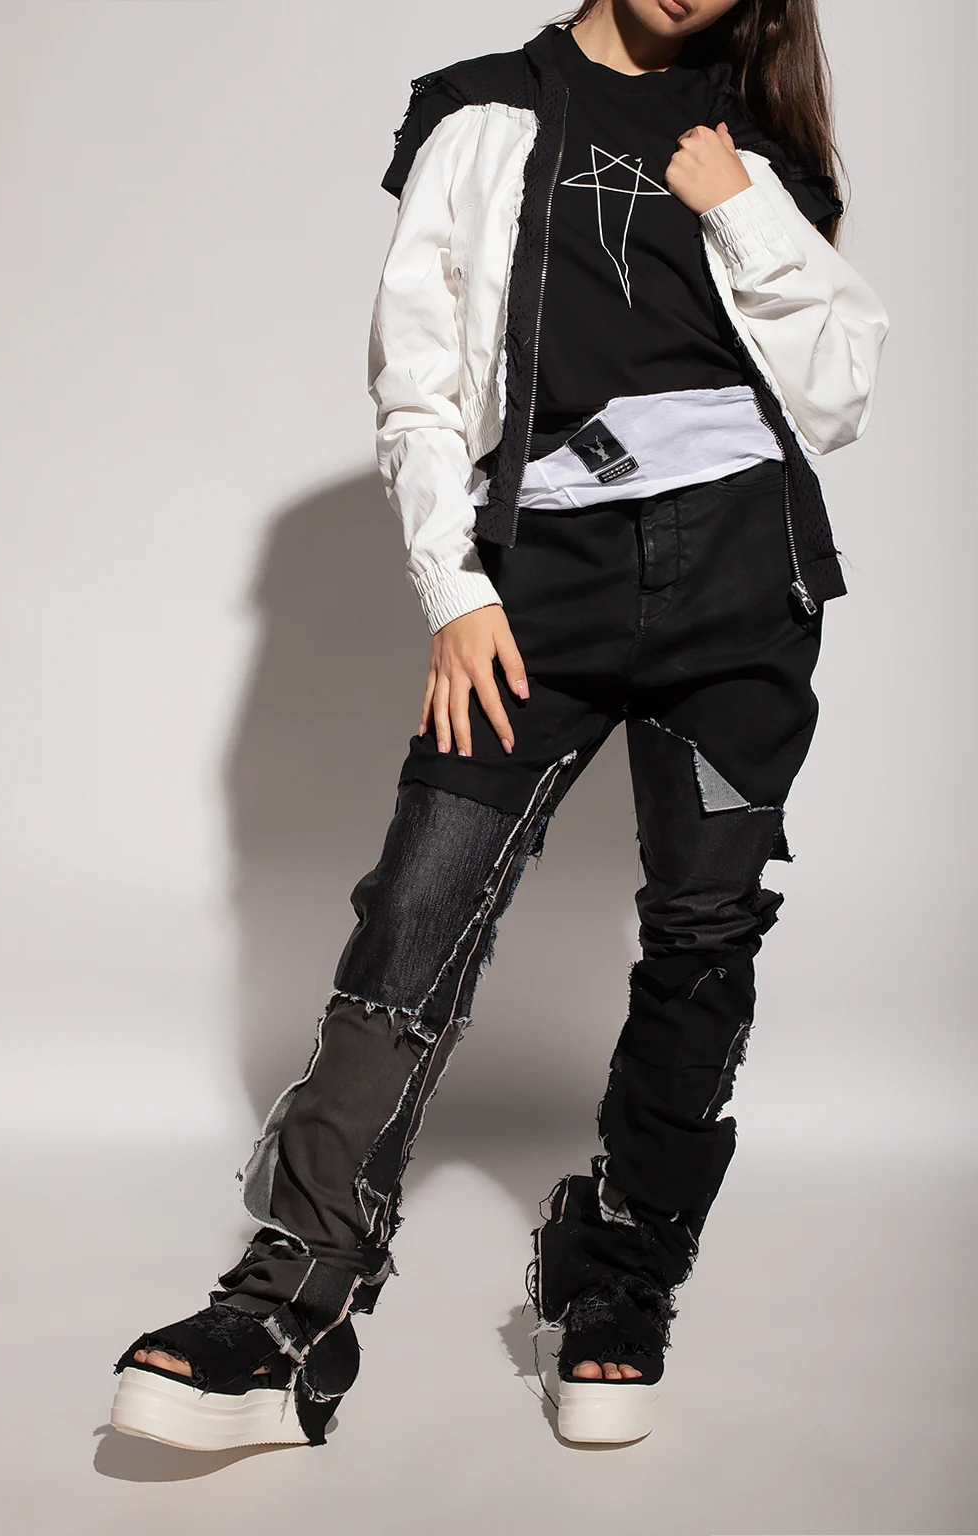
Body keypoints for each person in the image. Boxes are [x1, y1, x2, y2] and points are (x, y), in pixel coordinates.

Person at [110, 0, 889, 1451]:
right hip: (545, 587)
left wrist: (743, 210)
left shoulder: (757, 142)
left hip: (744, 583)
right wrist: (457, 592)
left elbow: (837, 395)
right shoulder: (481, 110)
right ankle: (292, 1306)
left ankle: (621, 1275)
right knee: (419, 907)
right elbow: (418, 382)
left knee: (705, 930)